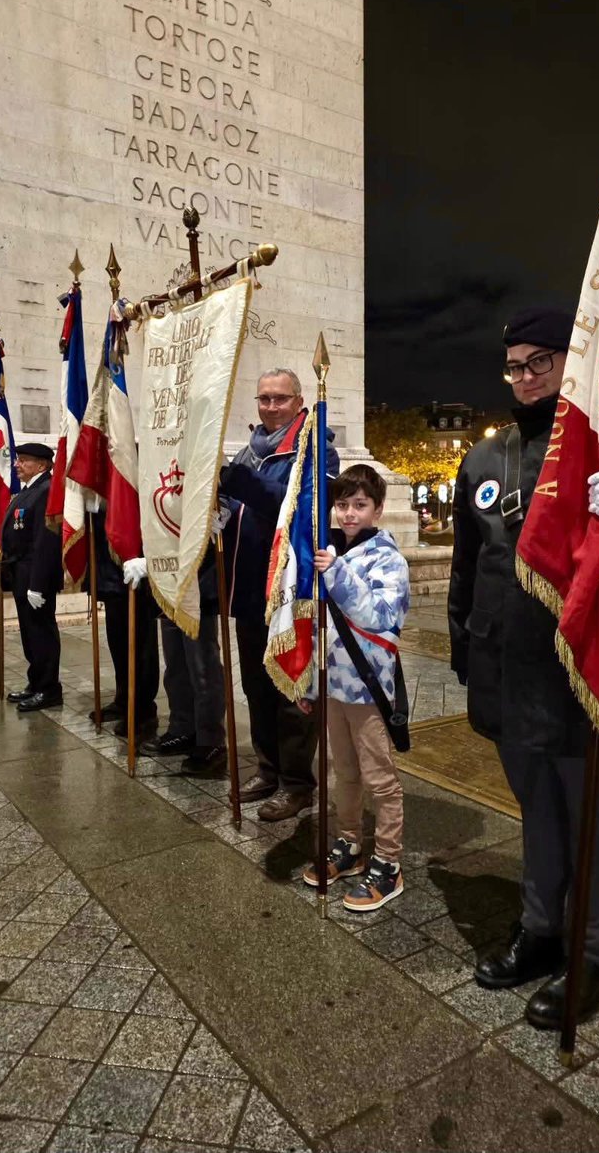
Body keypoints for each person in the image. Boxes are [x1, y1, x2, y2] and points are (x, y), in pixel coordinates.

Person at [448, 306, 599, 1030]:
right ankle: (539, 930)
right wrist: (463, 643)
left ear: (572, 361)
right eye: (515, 365)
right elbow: (468, 565)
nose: (524, 377)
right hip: (505, 669)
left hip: (577, 673)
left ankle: (591, 953)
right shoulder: (483, 456)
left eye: (540, 362)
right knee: (536, 813)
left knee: (594, 817)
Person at [220, 368, 339, 821]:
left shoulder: (315, 445)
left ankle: (296, 784)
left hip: (290, 587)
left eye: (279, 399)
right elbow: (242, 504)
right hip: (249, 584)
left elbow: (301, 504)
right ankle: (267, 769)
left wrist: (233, 481)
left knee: (293, 690)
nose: (270, 407)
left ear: (298, 400)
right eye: (263, 398)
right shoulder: (250, 450)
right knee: (255, 684)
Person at [301, 464, 410, 910]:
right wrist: (310, 685)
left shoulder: (389, 559)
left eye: (360, 505)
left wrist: (338, 575)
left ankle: (389, 862)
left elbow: (381, 618)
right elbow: (317, 627)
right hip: (333, 684)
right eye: (343, 505)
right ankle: (349, 843)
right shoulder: (330, 551)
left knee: (380, 778)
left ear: (378, 511)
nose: (349, 514)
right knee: (342, 770)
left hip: (369, 687)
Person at [134, 542, 227, 770]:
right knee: (175, 664)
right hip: (169, 580)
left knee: (202, 667)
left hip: (198, 579)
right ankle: (183, 728)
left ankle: (210, 742)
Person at [1, 442, 63, 711]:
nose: (17, 464)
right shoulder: (29, 491)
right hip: (22, 573)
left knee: (41, 632)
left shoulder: (47, 491)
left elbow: (45, 541)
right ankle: (36, 682)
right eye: (18, 460)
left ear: (42, 465)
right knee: (30, 632)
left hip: (36, 575)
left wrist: (37, 584)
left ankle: (49, 689)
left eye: (23, 460)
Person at [90, 506, 160, 740]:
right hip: (110, 575)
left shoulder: (129, 473)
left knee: (141, 645)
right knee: (118, 642)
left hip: (135, 569)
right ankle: (124, 699)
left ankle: (143, 710)